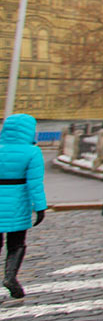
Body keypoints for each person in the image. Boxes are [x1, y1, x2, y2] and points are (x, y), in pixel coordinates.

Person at [0, 113, 46, 299]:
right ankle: (10, 276)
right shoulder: (32, 152)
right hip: (18, 200)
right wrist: (40, 207)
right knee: (17, 243)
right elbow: (35, 184)